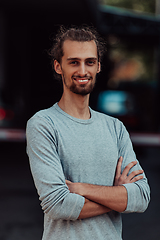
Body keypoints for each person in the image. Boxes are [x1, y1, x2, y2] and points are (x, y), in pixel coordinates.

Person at [26, 26, 150, 240]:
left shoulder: (115, 128)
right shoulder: (44, 124)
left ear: (98, 66)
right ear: (58, 66)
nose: (82, 71)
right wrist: (117, 196)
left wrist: (82, 189)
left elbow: (141, 197)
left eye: (89, 62)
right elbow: (58, 204)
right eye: (74, 62)